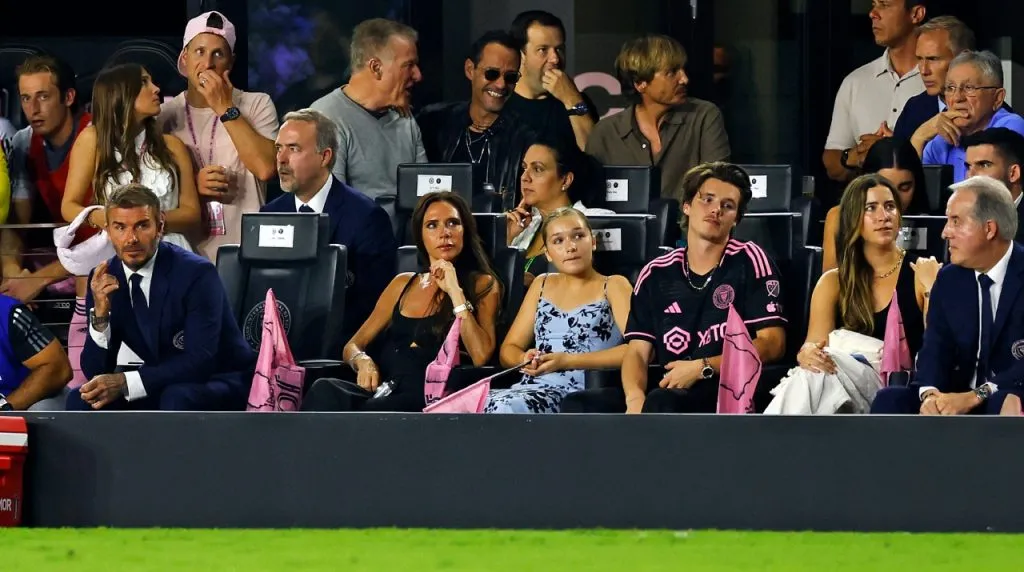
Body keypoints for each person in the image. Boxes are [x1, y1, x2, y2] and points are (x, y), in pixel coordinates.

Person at [562, 162, 786, 413]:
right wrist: (634, 399)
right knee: (577, 404)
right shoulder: (656, 273)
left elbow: (772, 344)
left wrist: (703, 367)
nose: (716, 210)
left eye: (728, 206)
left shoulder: (750, 259)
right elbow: (637, 353)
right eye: (708, 199)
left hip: (725, 385)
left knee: (662, 401)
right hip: (669, 385)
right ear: (687, 206)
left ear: (736, 220)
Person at [301, 192, 502, 412]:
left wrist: (455, 291)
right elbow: (353, 345)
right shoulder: (402, 283)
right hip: (386, 389)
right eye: (432, 225)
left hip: (432, 396)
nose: (445, 233)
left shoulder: (482, 284)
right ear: (421, 236)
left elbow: (481, 356)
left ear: (465, 231)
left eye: (453, 223)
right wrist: (363, 361)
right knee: (324, 390)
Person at [67, 184, 256, 411]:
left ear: (160, 226)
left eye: (142, 225)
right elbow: (94, 370)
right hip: (162, 381)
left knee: (176, 398)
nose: (131, 238)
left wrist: (127, 381)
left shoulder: (196, 273)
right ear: (108, 231)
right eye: (120, 227)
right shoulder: (103, 279)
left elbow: (201, 360)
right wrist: (100, 316)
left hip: (220, 378)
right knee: (82, 401)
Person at [871, 176, 1024, 415]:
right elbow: (935, 348)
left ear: (989, 229)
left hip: (1006, 393)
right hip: (956, 395)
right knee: (889, 400)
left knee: (1009, 403)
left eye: (956, 221)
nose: (945, 233)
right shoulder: (949, 279)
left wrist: (977, 395)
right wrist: (931, 394)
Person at [261, 108, 398, 343]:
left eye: (293, 149)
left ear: (324, 156)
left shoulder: (367, 218)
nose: (281, 159)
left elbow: (375, 308)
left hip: (338, 350)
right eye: (278, 148)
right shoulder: (269, 215)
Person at [158, 10, 280, 261]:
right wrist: (192, 186)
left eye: (218, 54)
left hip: (245, 252)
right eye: (199, 52)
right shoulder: (164, 115)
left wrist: (224, 106)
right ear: (184, 58)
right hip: (183, 256)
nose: (208, 63)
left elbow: (266, 168)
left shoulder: (256, 104)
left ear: (230, 63)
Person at [487, 208, 629, 413]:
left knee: (504, 408)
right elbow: (509, 348)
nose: (570, 247)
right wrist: (523, 359)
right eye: (558, 241)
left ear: (593, 241)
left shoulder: (614, 285)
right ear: (548, 253)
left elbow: (638, 351)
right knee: (460, 407)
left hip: (581, 391)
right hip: (531, 388)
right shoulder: (541, 284)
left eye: (578, 236)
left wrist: (568, 360)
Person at [799, 174, 937, 376]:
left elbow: (938, 348)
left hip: (897, 385)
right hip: (839, 385)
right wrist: (806, 353)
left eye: (890, 206)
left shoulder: (920, 272)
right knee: (811, 374)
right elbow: (815, 345)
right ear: (852, 218)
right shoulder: (832, 282)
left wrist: (931, 290)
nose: (884, 216)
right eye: (870, 208)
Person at [62, 63, 201, 251]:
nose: (156, 89)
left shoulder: (172, 146)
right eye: (144, 82)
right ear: (120, 93)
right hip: (119, 250)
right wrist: (107, 218)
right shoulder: (92, 140)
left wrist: (146, 221)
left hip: (170, 252)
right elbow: (69, 207)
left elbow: (191, 213)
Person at [586, 34, 730, 206]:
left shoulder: (704, 116)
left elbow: (719, 184)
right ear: (640, 83)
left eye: (683, 70)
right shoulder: (605, 133)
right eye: (671, 73)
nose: (684, 79)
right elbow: (592, 202)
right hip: (626, 231)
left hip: (690, 230)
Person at [2, 55, 95, 303]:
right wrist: (13, 272)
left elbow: (108, 238)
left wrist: (38, 279)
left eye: (43, 96)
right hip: (64, 257)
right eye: (25, 98)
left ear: (68, 97)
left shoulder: (97, 137)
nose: (33, 109)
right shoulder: (23, 142)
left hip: (104, 257)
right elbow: (17, 222)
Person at [309, 18, 427, 200]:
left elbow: (425, 196)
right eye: (408, 65)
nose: (418, 75)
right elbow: (333, 206)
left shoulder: (405, 117)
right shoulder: (325, 118)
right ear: (376, 67)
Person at [416, 31, 536, 209]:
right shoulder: (432, 122)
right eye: (492, 73)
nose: (501, 85)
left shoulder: (525, 136)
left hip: (501, 234)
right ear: (470, 70)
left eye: (510, 77)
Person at [822, 0, 926, 182]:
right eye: (873, 4)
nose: (872, 13)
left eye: (884, 5)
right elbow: (831, 160)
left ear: (916, 14)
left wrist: (892, 152)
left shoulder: (938, 81)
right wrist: (854, 156)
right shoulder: (855, 81)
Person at [505, 138, 614, 284]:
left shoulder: (592, 220)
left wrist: (534, 283)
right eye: (524, 168)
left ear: (565, 180)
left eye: (537, 169)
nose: (525, 177)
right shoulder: (523, 226)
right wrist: (506, 237)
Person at [822, 137, 930, 271]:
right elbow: (831, 282)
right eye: (886, 188)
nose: (894, 198)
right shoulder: (839, 217)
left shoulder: (930, 223)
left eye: (904, 188)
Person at [919, 51, 1024, 181]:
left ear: (997, 98)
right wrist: (920, 136)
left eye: (969, 88)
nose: (957, 98)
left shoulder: (1011, 128)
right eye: (951, 88)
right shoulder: (940, 143)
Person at [506, 10, 597, 151]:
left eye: (559, 49)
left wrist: (572, 100)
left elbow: (595, 157)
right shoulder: (500, 106)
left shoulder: (577, 102)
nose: (555, 59)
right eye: (543, 50)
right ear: (520, 55)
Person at [893, 16, 976, 142]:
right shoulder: (914, 108)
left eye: (933, 59)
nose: (923, 70)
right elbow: (898, 161)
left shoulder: (991, 112)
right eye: (920, 59)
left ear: (963, 58)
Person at [0, 293, 73, 410]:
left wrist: (4, 408)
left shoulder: (8, 313)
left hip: (23, 403)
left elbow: (58, 368)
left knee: (42, 409)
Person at [962, 128, 1024, 243]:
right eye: (968, 167)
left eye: (984, 165)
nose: (971, 175)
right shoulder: (963, 219)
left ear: (1013, 173)